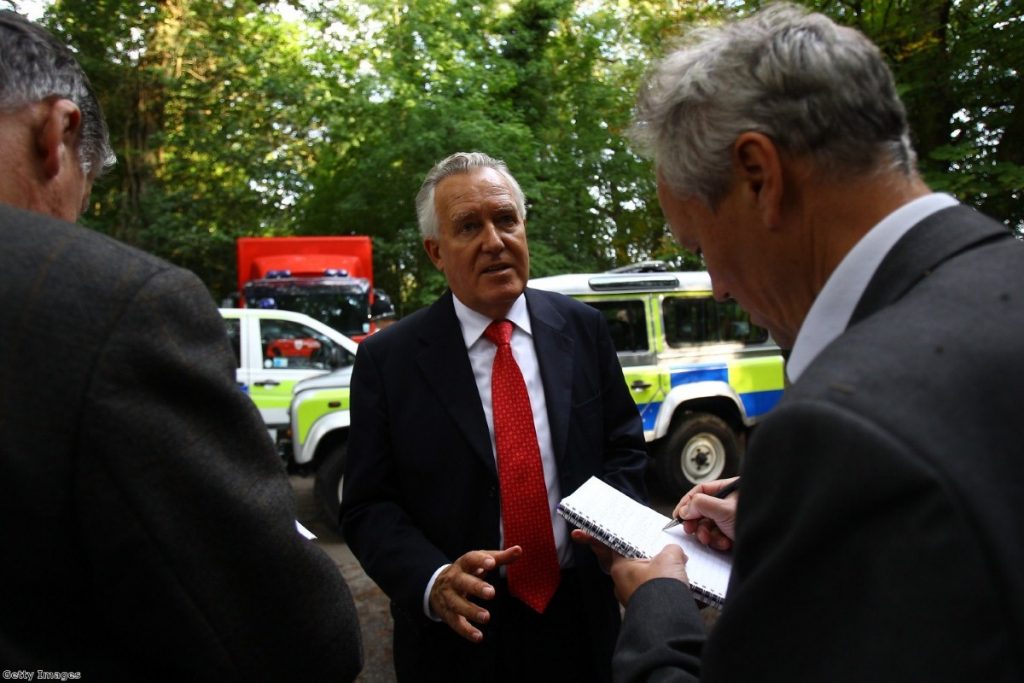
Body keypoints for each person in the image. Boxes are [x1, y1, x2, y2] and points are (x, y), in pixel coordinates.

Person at [599, 4, 1024, 681]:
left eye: (700, 244)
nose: (715, 287)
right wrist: (798, 527)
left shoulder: (840, 432)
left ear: (759, 178)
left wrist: (657, 609)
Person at [0, 11, 363, 679]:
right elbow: (297, 635)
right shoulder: (114, 305)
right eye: (87, 191)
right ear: (59, 132)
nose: (76, 221)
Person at [341, 151, 648, 681]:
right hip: (459, 637)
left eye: (506, 219)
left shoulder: (583, 329)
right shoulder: (387, 361)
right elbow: (368, 505)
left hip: (581, 618)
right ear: (436, 252)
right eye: (469, 226)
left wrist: (611, 532)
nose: (494, 241)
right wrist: (432, 578)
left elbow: (623, 448)